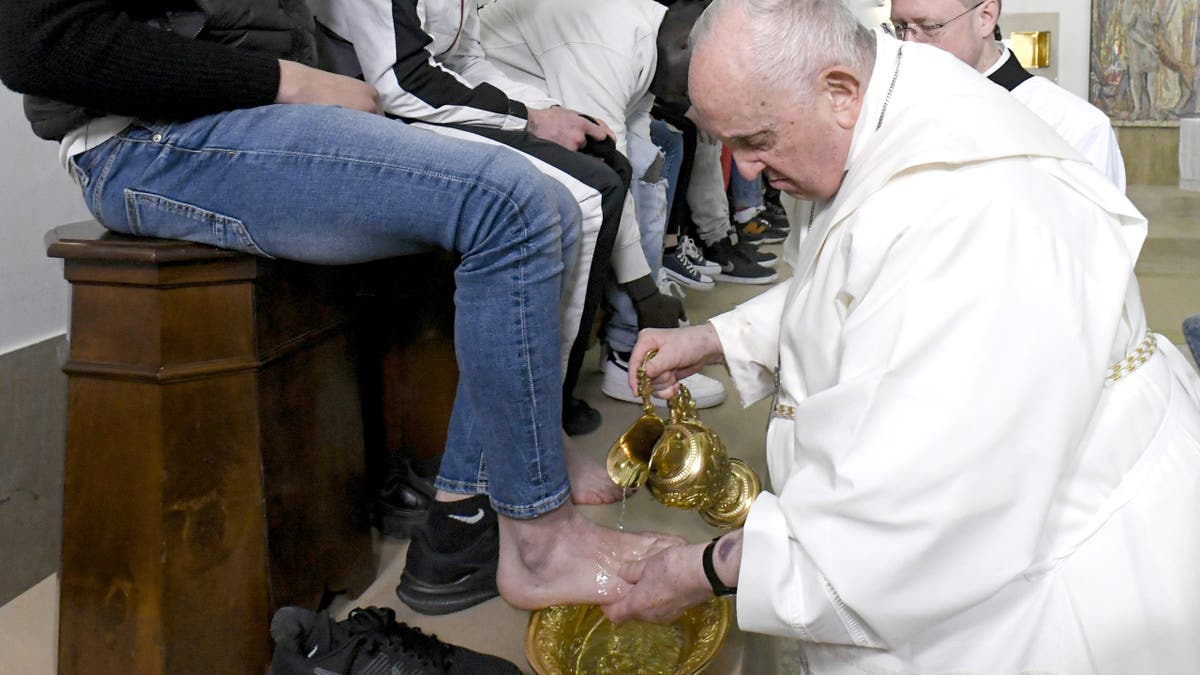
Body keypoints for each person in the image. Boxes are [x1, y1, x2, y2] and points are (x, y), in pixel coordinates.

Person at [0, 0, 678, 617]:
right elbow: (39, 45)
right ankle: (540, 543)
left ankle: (462, 521)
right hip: (144, 138)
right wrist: (288, 81)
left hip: (242, 112)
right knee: (514, 204)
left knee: (551, 202)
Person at [602, 0, 1200, 671]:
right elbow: (851, 278)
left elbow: (912, 522)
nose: (742, 171)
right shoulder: (891, 103)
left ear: (838, 91)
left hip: (1036, 583)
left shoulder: (970, 215)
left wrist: (708, 569)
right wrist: (716, 338)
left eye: (756, 140)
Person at [309, 0, 686, 436]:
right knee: (587, 194)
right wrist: (530, 119)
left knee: (607, 166)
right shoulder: (606, 36)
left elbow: (467, 61)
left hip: (420, 96)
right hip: (368, 108)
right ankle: (541, 415)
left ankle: (555, 393)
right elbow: (402, 81)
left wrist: (553, 112)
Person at [479, 0, 729, 409]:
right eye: (690, 88)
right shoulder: (609, 42)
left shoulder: (650, 42)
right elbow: (609, 168)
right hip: (491, 105)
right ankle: (624, 353)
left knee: (647, 172)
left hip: (536, 99)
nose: (686, 101)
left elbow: (635, 156)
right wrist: (645, 292)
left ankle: (634, 341)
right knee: (602, 194)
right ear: (686, 44)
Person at [889, 0, 1127, 190]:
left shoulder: (1075, 126)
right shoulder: (893, 110)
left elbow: (1092, 234)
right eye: (899, 27)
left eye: (929, 27)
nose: (908, 44)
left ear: (985, 18)